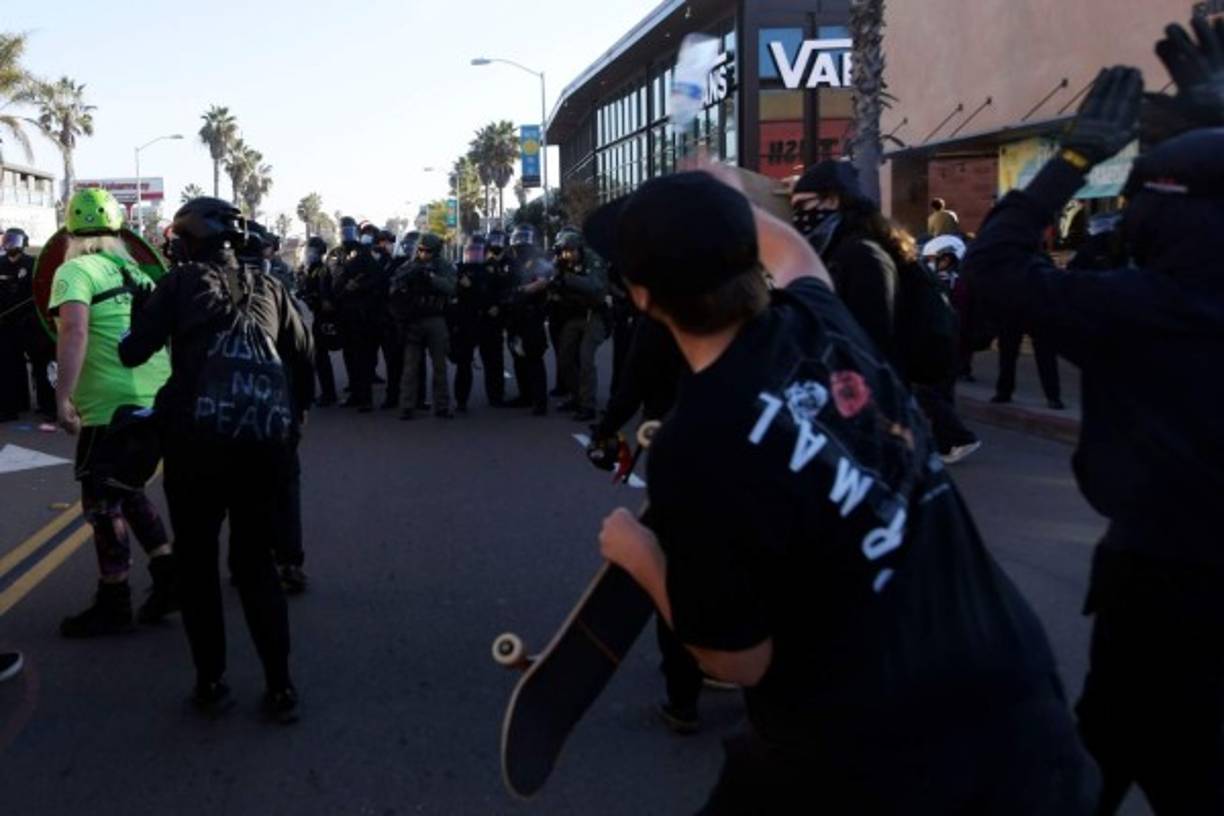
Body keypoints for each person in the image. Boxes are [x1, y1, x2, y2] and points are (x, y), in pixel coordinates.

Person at [586, 171, 1098, 814]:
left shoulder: (698, 443)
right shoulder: (821, 322)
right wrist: (717, 189)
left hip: (884, 762)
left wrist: (639, 554)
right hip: (1022, 708)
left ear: (641, 298)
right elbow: (793, 254)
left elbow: (735, 658)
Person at [963, 22, 1224, 810]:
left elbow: (996, 270)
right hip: (1155, 589)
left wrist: (1071, 162)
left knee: (1101, 760)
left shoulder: (1130, 308)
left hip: (1153, 587)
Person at [119, 196, 313, 722]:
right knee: (256, 567)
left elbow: (133, 351)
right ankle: (281, 687)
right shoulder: (272, 287)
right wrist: (290, 426)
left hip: (195, 449)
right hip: (262, 450)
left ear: (187, 241)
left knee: (199, 564)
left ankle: (211, 682)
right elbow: (302, 359)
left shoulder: (176, 285)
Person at [48, 189, 177, 637]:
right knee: (131, 489)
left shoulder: (74, 270)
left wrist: (63, 397)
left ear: (69, 231)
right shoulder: (136, 271)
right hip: (154, 396)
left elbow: (74, 328)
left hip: (109, 404)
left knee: (102, 502)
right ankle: (167, 574)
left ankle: (114, 598)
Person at [790, 161, 915, 374]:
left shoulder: (862, 255)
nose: (798, 216)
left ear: (832, 200)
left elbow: (871, 339)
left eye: (803, 205)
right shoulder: (842, 249)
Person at [915, 236, 981, 463]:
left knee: (928, 394)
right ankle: (946, 444)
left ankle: (961, 438)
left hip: (946, 345)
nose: (930, 263)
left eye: (934, 259)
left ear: (948, 258)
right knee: (940, 396)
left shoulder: (954, 284)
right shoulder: (948, 282)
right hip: (947, 345)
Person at [390, 233, 456, 420]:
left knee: (440, 367)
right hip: (413, 320)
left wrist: (431, 278)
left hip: (435, 318)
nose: (422, 254)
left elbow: (452, 288)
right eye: (419, 250)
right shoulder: (410, 266)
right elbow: (394, 286)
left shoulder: (442, 266)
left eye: (426, 251)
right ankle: (407, 406)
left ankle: (441, 406)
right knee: (410, 367)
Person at [550, 230, 609, 422]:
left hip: (596, 314)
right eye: (564, 252)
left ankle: (588, 405)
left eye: (570, 251)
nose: (567, 255)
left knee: (585, 358)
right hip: (575, 315)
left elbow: (595, 286)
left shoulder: (593, 260)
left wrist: (567, 278)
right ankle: (576, 397)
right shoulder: (562, 262)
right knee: (564, 357)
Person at [0, 228, 54, 421]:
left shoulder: (33, 264)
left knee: (41, 365)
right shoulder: (1, 264)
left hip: (31, 323)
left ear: (23, 243)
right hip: (6, 324)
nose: (9, 245)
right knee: (9, 366)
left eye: (14, 241)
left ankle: (48, 406)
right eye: (7, 240)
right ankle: (12, 406)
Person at [336, 217, 384, 412]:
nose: (346, 235)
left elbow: (378, 280)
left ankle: (365, 399)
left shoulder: (365, 254)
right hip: (345, 313)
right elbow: (334, 279)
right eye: (343, 231)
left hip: (363, 315)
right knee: (350, 357)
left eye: (349, 231)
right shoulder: (339, 254)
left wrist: (359, 286)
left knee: (362, 359)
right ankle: (356, 395)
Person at [504, 224, 551, 415]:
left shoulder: (538, 261)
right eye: (518, 239)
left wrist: (522, 290)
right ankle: (525, 395)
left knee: (533, 358)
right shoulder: (512, 262)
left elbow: (543, 282)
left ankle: (540, 402)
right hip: (515, 316)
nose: (521, 243)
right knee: (518, 357)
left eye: (525, 239)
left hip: (532, 316)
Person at [298, 236, 340, 406]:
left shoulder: (322, 270)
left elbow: (325, 298)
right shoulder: (312, 269)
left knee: (320, 356)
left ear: (320, 253)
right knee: (319, 356)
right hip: (318, 316)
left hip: (323, 318)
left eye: (312, 251)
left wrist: (316, 299)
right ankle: (327, 393)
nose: (309, 254)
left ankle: (329, 394)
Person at [449, 234, 486, 413]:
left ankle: (461, 400)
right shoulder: (457, 268)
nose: (473, 255)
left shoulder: (485, 272)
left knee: (464, 363)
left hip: (473, 322)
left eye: (477, 251)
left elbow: (484, 296)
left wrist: (470, 287)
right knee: (455, 358)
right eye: (470, 251)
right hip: (456, 322)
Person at [480, 229, 513, 407]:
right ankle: (494, 394)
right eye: (493, 241)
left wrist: (500, 305)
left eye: (499, 241)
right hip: (489, 318)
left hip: (508, 314)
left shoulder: (510, 264)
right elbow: (480, 290)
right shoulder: (484, 264)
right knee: (491, 356)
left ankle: (524, 393)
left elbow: (512, 288)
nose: (496, 244)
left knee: (518, 354)